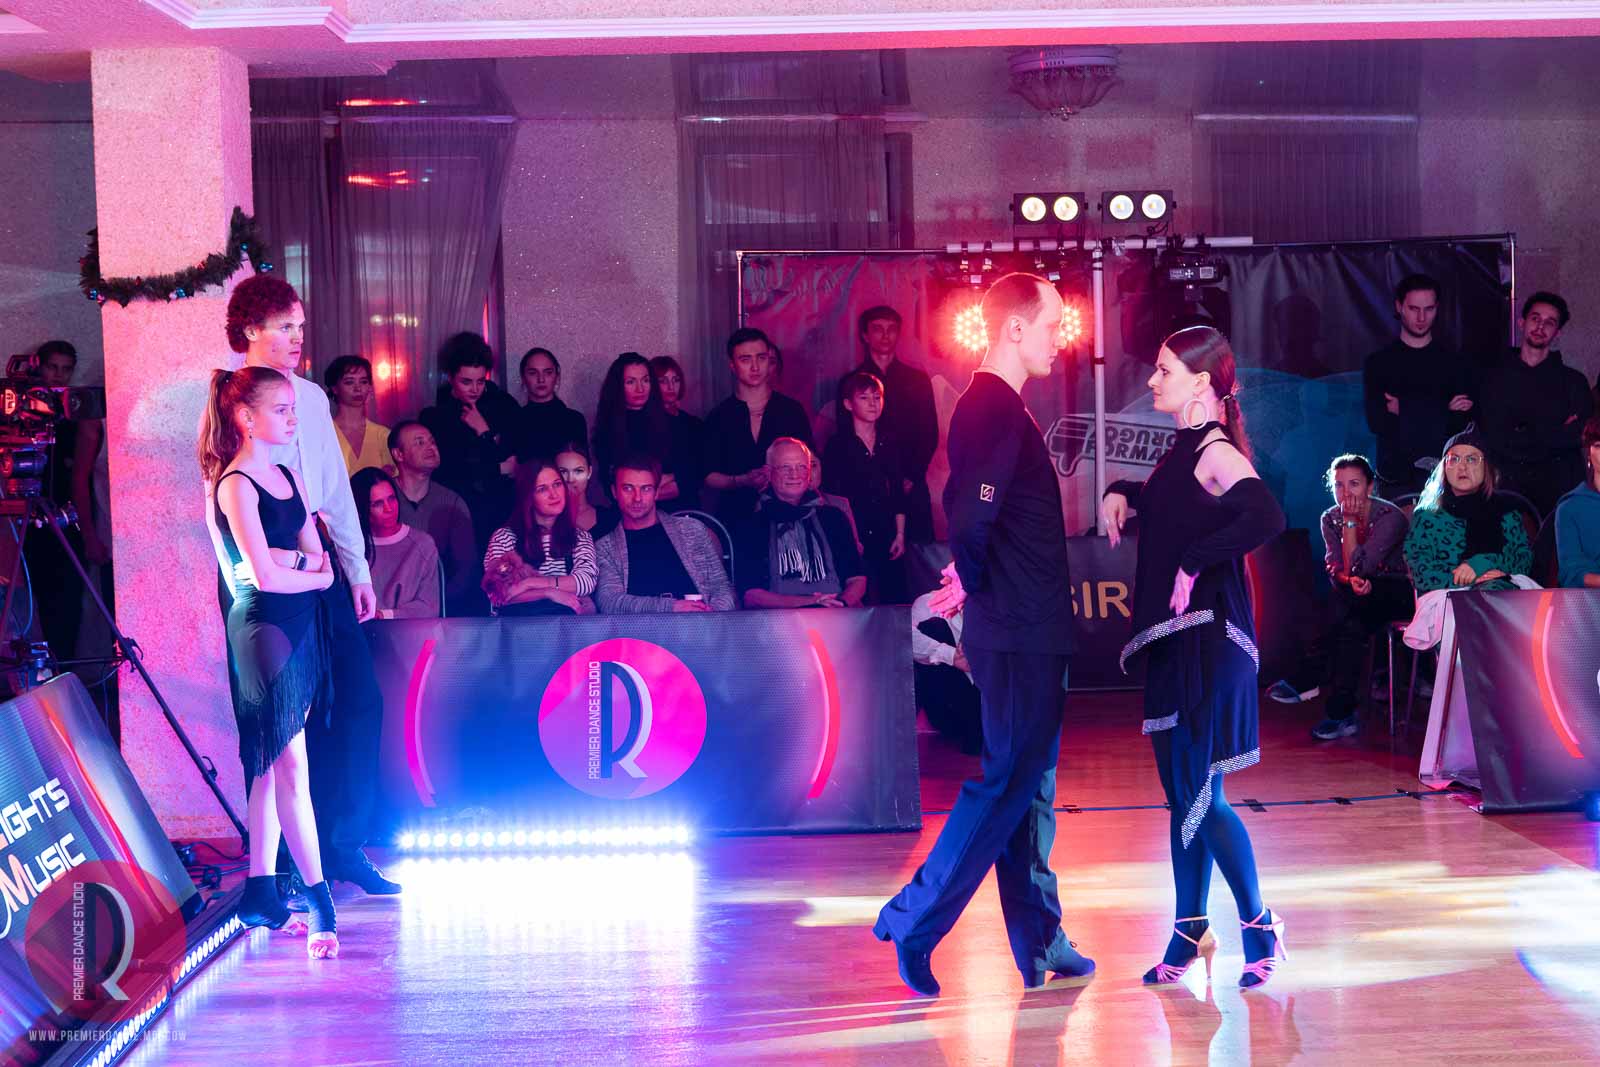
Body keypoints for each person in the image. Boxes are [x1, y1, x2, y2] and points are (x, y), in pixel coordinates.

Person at [875, 273, 1093, 997]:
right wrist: (969, 576)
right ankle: (914, 917)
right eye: (1051, 325)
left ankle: (1040, 939)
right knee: (1005, 786)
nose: (1059, 341)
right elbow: (970, 513)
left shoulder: (998, 406)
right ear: (1014, 329)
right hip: (1020, 631)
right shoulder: (991, 405)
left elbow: (976, 511)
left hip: (1028, 628)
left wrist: (972, 576)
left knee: (1028, 791)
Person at [1101, 323, 1287, 990]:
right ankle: (1189, 930)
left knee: (1202, 795)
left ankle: (1260, 925)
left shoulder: (1214, 450)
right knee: (1185, 797)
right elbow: (1176, 507)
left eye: (1165, 370)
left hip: (1209, 639)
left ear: (1202, 382)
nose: (1153, 380)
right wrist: (1123, 490)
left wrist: (1193, 560)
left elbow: (1265, 516)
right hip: (1175, 641)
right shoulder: (1183, 448)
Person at [216, 274, 400, 897]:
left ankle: (344, 846)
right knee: (278, 728)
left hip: (317, 562)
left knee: (359, 698)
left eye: (300, 325)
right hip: (262, 579)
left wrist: (357, 571)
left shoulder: (314, 399)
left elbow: (334, 492)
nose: (297, 337)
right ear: (250, 331)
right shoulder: (229, 397)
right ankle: (281, 869)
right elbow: (218, 501)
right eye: (284, 327)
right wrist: (250, 580)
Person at [198, 364, 339, 957]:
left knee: (269, 763)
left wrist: (298, 565)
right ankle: (320, 902)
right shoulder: (234, 485)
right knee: (289, 765)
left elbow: (316, 559)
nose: (292, 418)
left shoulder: (289, 476)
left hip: (299, 625)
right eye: (281, 409)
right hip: (263, 629)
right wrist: (304, 569)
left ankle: (261, 892)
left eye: (292, 408)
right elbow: (263, 577)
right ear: (246, 418)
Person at [1307, 455, 1413, 741]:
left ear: (1369, 487)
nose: (1346, 493)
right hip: (1355, 597)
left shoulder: (1390, 516)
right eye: (1338, 485)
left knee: (1344, 609)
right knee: (1350, 620)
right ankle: (1341, 712)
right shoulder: (1329, 517)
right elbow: (1337, 569)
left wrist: (1351, 522)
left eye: (1354, 484)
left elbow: (1361, 567)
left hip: (1395, 590)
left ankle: (1309, 676)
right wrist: (1349, 581)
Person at [27, 340, 110, 670]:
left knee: (70, 600)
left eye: (66, 369)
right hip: (32, 522)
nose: (59, 375)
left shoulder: (76, 413)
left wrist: (88, 532)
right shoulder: (25, 414)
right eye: (53, 367)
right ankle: (50, 673)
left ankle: (66, 672)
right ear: (39, 365)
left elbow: (81, 477)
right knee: (41, 601)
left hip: (70, 519)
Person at [1475, 291, 1594, 518]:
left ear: (1557, 332)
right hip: (1506, 487)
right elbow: (1493, 435)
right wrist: (1554, 431)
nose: (1540, 327)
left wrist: (1522, 431)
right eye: (1535, 318)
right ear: (1522, 323)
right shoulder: (1493, 378)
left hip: (1557, 490)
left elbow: (1579, 435)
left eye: (1550, 322)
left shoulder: (1574, 382)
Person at [1361, 274, 1473, 499]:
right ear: (1399, 307)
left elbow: (1460, 424)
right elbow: (1378, 422)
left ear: (1437, 308)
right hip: (1395, 477)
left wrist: (1404, 409)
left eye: (1429, 309)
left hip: (1445, 478)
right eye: (1414, 309)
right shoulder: (1379, 363)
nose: (1421, 317)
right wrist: (1442, 410)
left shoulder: (1455, 362)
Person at [839, 306, 937, 549]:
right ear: (865, 335)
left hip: (911, 481)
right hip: (868, 487)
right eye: (878, 329)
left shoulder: (917, 380)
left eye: (891, 329)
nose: (885, 335)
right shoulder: (851, 382)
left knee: (920, 553)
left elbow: (929, 433)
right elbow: (846, 435)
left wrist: (912, 475)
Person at [593, 453, 736, 614]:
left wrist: (711, 615)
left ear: (656, 492)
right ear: (614, 492)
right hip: (642, 630)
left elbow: (722, 588)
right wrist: (670, 608)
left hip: (700, 626)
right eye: (628, 488)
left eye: (646, 489)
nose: (637, 498)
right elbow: (609, 601)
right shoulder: (605, 547)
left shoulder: (692, 530)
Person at [736, 438, 866, 610]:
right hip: (778, 620)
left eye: (801, 467)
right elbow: (751, 595)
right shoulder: (752, 525)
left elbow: (857, 579)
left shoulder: (834, 518)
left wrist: (841, 603)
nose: (794, 475)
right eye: (785, 467)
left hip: (837, 614)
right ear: (768, 472)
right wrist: (811, 604)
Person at [703, 328, 814, 524]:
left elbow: (811, 460)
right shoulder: (719, 416)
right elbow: (707, 474)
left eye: (761, 358)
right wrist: (740, 480)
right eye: (745, 359)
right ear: (732, 365)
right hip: (736, 517)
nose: (755, 367)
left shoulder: (791, 410)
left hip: (788, 517)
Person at [419, 331, 519, 547]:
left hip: (501, 509)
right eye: (466, 382)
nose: (475, 389)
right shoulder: (435, 416)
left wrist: (483, 431)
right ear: (450, 377)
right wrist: (497, 467)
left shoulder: (504, 405)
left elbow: (515, 463)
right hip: (455, 510)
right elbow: (447, 471)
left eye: (481, 381)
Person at [1404, 430, 1532, 595]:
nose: (1462, 467)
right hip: (1444, 599)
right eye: (1454, 459)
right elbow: (1420, 573)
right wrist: (1473, 580)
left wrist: (1483, 564)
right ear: (1444, 467)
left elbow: (1523, 561)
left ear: (1486, 467)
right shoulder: (1426, 515)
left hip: (1500, 596)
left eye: (1472, 459)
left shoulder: (1507, 512)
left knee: (1495, 591)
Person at [823, 371, 908, 604]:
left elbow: (898, 491)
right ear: (848, 404)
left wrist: (900, 534)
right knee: (860, 597)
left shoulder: (889, 441)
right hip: (854, 531)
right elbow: (834, 497)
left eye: (877, 397)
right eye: (864, 398)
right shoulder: (838, 445)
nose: (873, 403)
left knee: (895, 596)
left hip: (887, 530)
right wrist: (850, 536)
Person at [389, 420, 484, 616]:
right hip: (388, 605)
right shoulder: (384, 499)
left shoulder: (451, 502)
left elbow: (466, 568)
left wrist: (436, 602)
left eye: (432, 441)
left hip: (439, 608)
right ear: (398, 454)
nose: (430, 447)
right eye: (419, 442)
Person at [483, 460, 597, 616]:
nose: (554, 494)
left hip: (566, 624)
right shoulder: (504, 537)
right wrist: (548, 593)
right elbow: (499, 593)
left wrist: (530, 583)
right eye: (542, 489)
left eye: (557, 484)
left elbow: (586, 582)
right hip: (518, 625)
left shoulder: (580, 536)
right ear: (528, 497)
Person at [351, 466, 441, 619]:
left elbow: (429, 607)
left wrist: (385, 615)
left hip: (410, 630)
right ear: (360, 510)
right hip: (362, 628)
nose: (389, 508)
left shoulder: (422, 544)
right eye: (378, 504)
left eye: (392, 499)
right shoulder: (352, 547)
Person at [592, 352, 679, 505]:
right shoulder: (607, 429)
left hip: (674, 509)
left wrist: (640, 489)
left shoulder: (672, 422)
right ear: (618, 386)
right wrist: (660, 481)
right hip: (628, 511)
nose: (640, 389)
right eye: (630, 382)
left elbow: (687, 480)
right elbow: (610, 486)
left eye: (645, 380)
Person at [910, 590, 983, 755]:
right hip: (950, 702)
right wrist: (952, 656)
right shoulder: (929, 601)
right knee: (934, 626)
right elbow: (906, 637)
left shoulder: (997, 606)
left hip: (989, 696)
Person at [512, 347, 587, 466]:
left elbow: (581, 468)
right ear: (523, 377)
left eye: (548, 372)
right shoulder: (514, 421)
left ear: (557, 376)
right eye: (533, 373)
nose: (541, 379)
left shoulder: (574, 420)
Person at [651, 355, 705, 513]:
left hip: (689, 507)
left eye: (675, 380)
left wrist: (671, 477)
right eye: (663, 381)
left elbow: (700, 470)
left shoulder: (694, 424)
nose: (670, 386)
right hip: (655, 509)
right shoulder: (644, 423)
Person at [325, 355, 393, 476]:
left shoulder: (383, 435)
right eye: (349, 382)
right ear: (334, 388)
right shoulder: (324, 432)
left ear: (370, 387)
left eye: (364, 382)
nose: (358, 388)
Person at [1555, 416, 1600, 588]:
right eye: (1599, 446)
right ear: (1588, 452)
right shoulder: (1570, 507)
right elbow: (1571, 573)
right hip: (1591, 599)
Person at [554, 441, 621, 541]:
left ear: (589, 472)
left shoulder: (609, 518)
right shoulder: (548, 519)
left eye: (578, 471)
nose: (570, 479)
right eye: (563, 471)